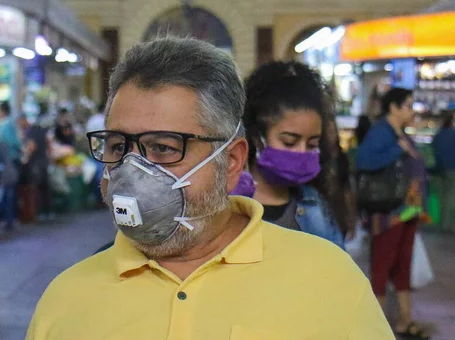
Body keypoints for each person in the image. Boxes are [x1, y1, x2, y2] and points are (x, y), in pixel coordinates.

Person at [27, 37, 394, 339]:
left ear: (231, 161)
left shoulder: (330, 280)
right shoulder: (65, 300)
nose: (130, 171)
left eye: (164, 148)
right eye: (118, 146)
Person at [243, 61, 346, 248]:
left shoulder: (315, 206)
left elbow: (340, 270)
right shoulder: (227, 205)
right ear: (258, 137)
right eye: (289, 142)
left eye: (312, 144)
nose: (301, 153)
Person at [356, 88, 430, 340]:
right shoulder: (381, 132)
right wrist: (395, 150)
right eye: (408, 105)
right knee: (382, 264)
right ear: (393, 108)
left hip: (408, 210)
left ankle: (404, 320)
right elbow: (364, 161)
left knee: (403, 265)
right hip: (388, 212)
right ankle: (376, 326)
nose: (412, 110)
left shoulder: (399, 133)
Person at [18, 115, 51, 222]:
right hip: (43, 161)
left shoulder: (31, 131)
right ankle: (48, 212)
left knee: (35, 189)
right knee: (45, 187)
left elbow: (31, 147)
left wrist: (25, 156)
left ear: (24, 120)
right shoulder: (40, 129)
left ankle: (40, 212)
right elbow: (48, 142)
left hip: (36, 164)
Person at [0, 102, 21, 231]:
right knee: (10, 191)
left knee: (8, 191)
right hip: (10, 161)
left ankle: (9, 219)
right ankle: (9, 219)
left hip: (6, 162)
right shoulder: (8, 125)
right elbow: (15, 142)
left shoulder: (5, 125)